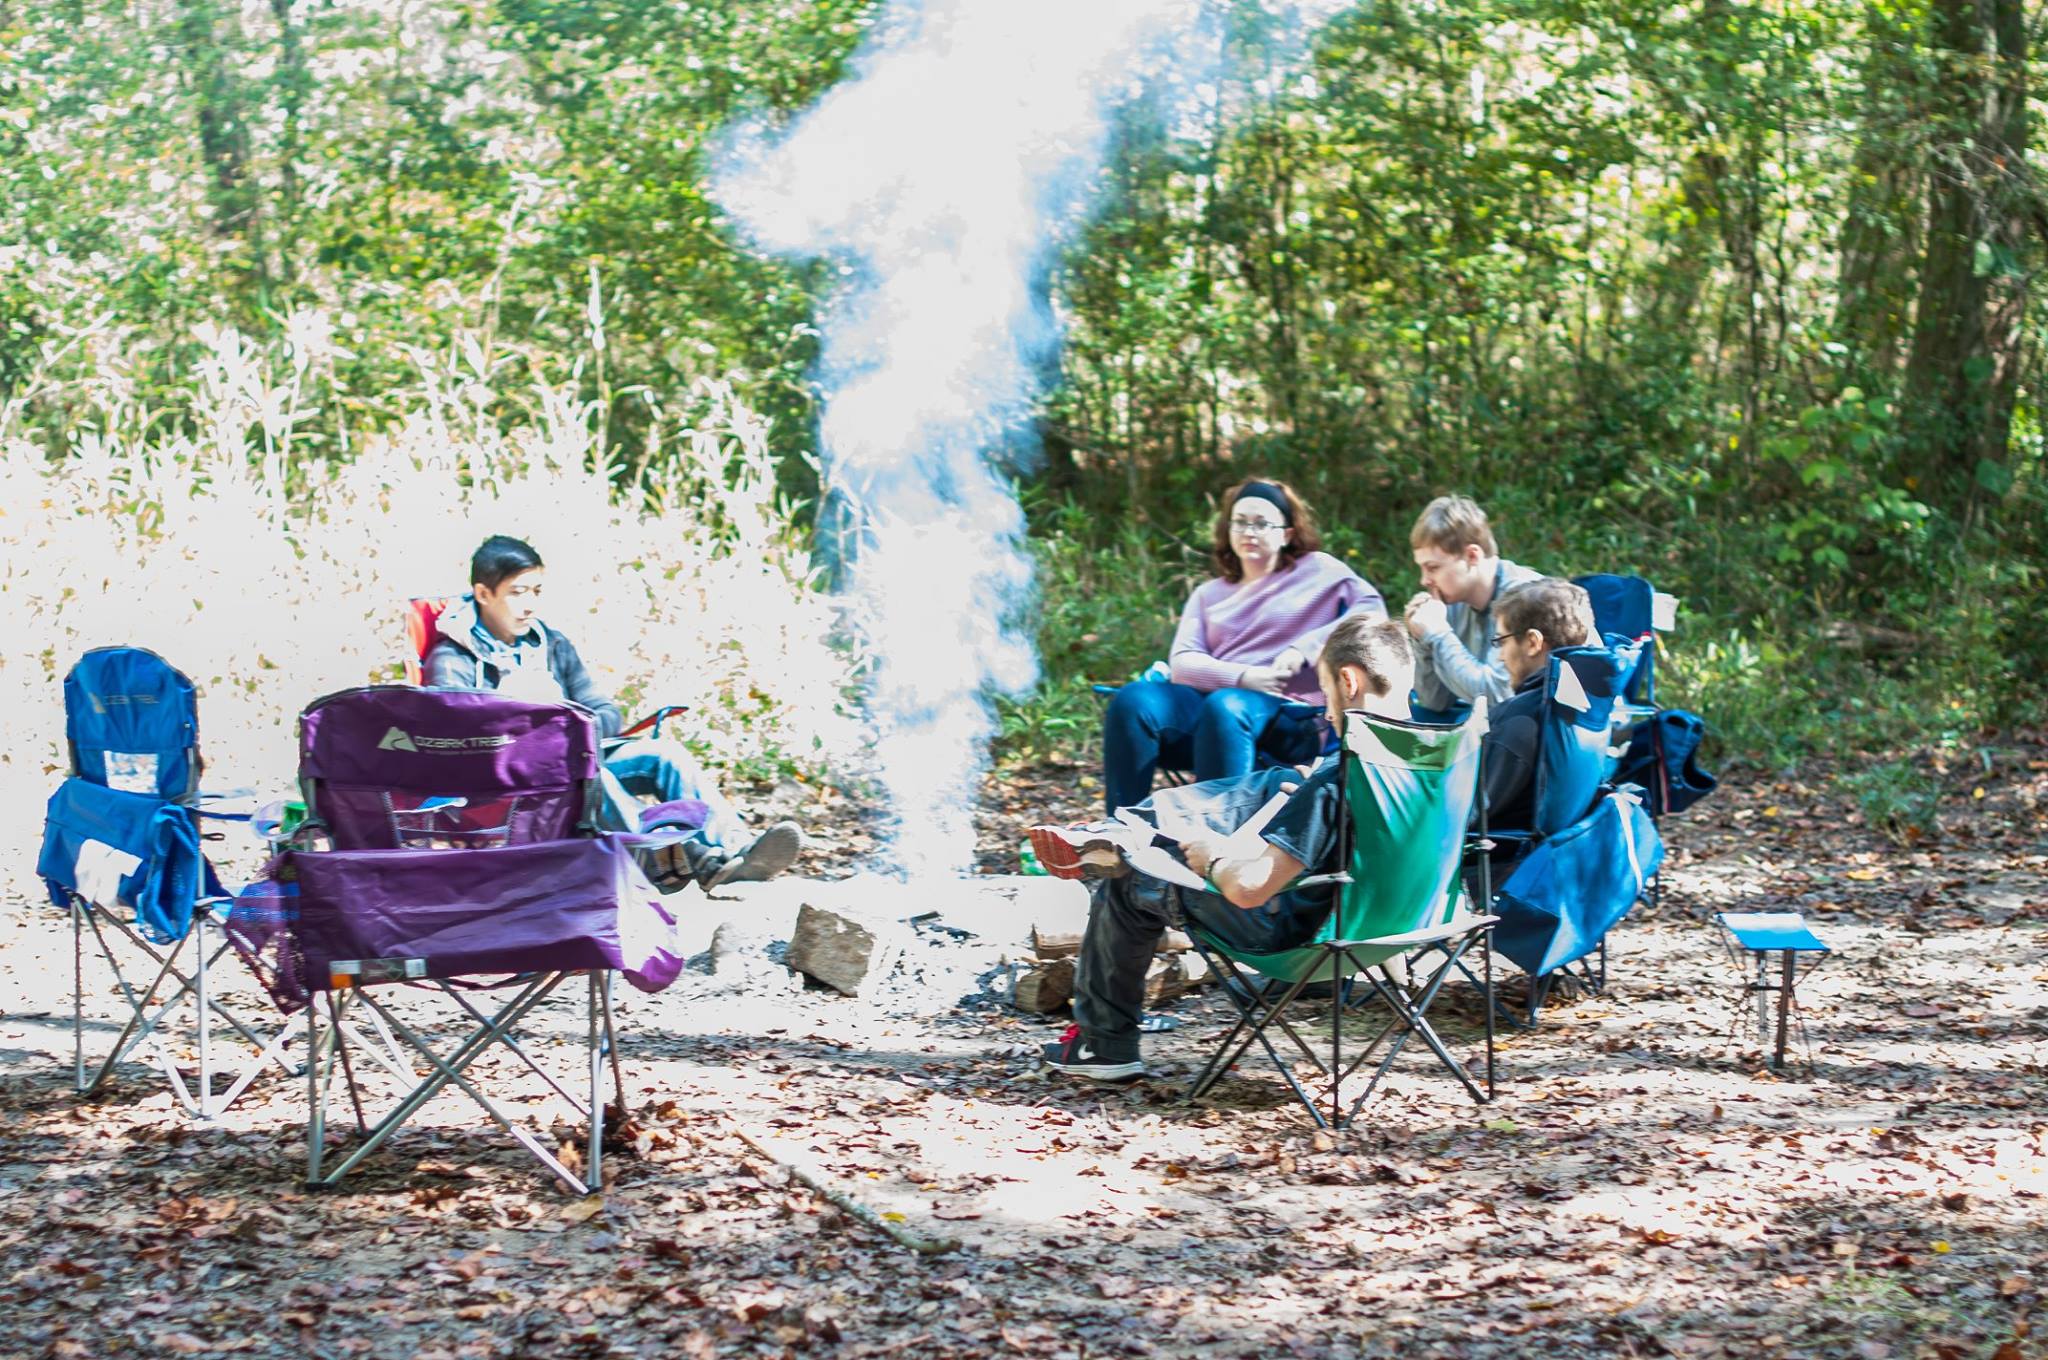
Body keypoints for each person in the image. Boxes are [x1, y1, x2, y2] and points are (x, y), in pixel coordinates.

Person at [1040, 615, 1415, 1082]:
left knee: (1130, 877)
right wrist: (1307, 797)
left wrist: (1213, 855)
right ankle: (1132, 826)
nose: (1325, 713)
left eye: (1324, 694)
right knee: (1281, 780)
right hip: (1394, 927)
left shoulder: (1339, 779)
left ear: (1349, 681)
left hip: (1303, 939)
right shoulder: (1434, 763)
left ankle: (1103, 1047)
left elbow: (1249, 889)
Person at [423, 535, 802, 889]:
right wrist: (539, 741)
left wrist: (573, 734)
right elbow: (456, 739)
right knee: (591, 777)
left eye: (536, 591)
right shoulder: (453, 659)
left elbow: (603, 709)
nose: (530, 604)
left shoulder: (550, 644)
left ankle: (739, 851)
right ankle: (678, 859)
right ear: (483, 594)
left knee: (664, 755)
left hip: (576, 753)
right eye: (517, 593)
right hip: (512, 781)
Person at [1100, 477, 1386, 815]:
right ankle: (1120, 829)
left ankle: (1212, 834)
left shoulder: (1320, 570)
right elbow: (1183, 662)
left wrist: (1303, 649)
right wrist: (1244, 677)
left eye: (1261, 523)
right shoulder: (1208, 594)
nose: (1249, 532)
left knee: (1227, 706)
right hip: (1216, 708)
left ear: (1287, 534)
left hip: (1291, 715)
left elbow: (1372, 611)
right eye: (1240, 522)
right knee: (1133, 700)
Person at [1402, 496, 1543, 719]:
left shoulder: (1525, 597)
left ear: (1472, 556)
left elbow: (1498, 696)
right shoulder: (1452, 600)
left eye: (1433, 568)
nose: (1424, 580)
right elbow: (1434, 702)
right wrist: (1422, 640)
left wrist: (1438, 634)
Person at [1478, 577, 1597, 839]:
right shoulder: (1590, 704)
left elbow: (1471, 816)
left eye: (1502, 641)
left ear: (1533, 642)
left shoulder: (1518, 721)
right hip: (1559, 853)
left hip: (1504, 859)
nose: (1500, 656)